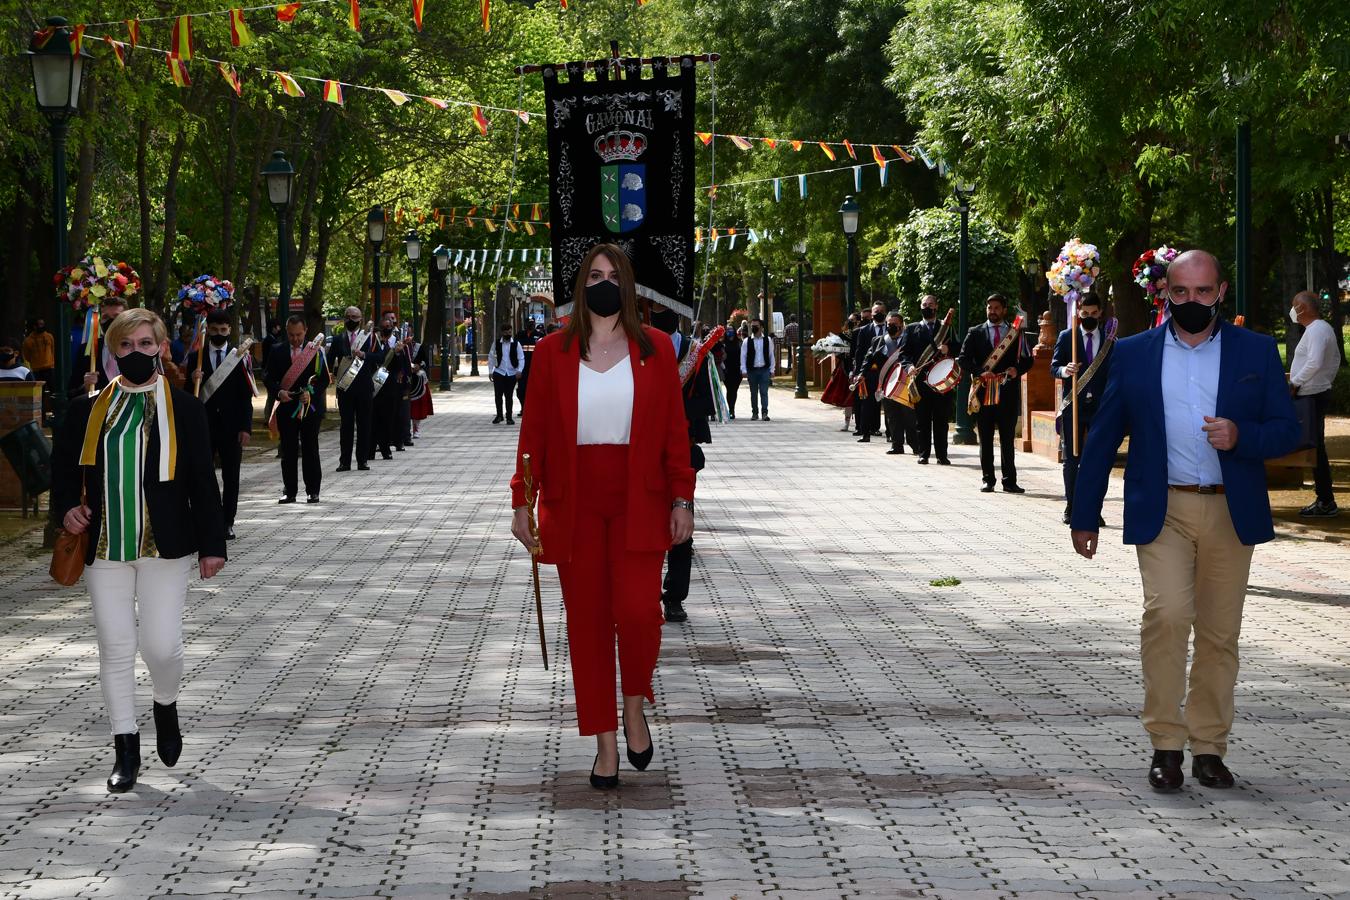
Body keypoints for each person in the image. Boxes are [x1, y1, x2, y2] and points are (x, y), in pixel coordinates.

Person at [1071, 250, 1300, 793]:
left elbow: (1289, 431)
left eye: (1203, 293)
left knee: (1220, 635)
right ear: (1165, 294)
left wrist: (1243, 437)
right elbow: (1101, 439)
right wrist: (1085, 515)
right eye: (1181, 293)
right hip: (1163, 507)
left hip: (1230, 508)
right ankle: (1166, 745)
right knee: (1168, 616)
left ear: (1220, 292)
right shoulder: (1132, 354)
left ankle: (1210, 748)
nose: (1192, 302)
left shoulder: (1257, 350)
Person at [510, 243, 694, 790]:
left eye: (614, 276)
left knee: (639, 615)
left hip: (641, 501)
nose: (604, 283)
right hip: (574, 503)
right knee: (589, 626)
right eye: (595, 275)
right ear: (580, 285)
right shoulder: (551, 353)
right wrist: (522, 498)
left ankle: (634, 706)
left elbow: (674, 436)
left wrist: (682, 499)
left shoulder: (656, 349)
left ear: (630, 286)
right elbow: (534, 436)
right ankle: (605, 743)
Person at [51, 307, 227, 792]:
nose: (136, 353)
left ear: (161, 348)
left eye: (146, 344)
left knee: (161, 647)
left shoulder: (184, 408)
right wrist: (67, 509)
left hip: (163, 548)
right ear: (112, 352)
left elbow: (201, 483)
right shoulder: (88, 410)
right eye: (126, 346)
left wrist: (213, 545)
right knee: (115, 646)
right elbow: (64, 473)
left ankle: (165, 704)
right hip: (105, 548)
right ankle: (125, 748)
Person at [651, 304, 714, 625]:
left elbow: (706, 401)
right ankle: (645, 593)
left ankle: (674, 596)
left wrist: (675, 407)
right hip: (643, 453)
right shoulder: (636, 347)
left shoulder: (693, 352)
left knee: (681, 525)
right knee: (645, 524)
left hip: (683, 452)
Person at [186, 310, 255, 540]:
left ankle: (228, 522)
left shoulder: (240, 358)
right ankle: (207, 520)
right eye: (214, 330)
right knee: (203, 476)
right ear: (208, 330)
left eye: (223, 330)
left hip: (232, 427)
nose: (219, 334)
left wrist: (246, 427)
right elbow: (188, 395)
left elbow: (246, 396)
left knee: (231, 476)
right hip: (203, 426)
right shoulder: (196, 357)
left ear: (229, 330)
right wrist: (193, 379)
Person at [1050, 292, 1113, 524]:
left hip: (1100, 407)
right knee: (1072, 459)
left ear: (1100, 314)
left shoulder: (1109, 339)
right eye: (1085, 314)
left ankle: (1094, 510)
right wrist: (1065, 370)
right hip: (1073, 405)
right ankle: (1072, 506)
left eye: (1093, 314)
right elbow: (1053, 367)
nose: (1089, 317)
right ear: (1078, 313)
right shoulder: (1068, 337)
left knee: (1099, 459)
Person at [959, 293, 1032, 493]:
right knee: (986, 438)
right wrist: (982, 372)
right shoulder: (975, 332)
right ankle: (987, 479)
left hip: (1007, 393)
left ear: (1004, 310)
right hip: (983, 393)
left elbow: (1028, 359)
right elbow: (963, 359)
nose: (992, 311)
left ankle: (1009, 481)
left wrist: (1017, 369)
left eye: (997, 308)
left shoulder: (1016, 332)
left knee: (1007, 440)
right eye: (989, 308)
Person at [1287, 290, 1341, 517]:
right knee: (1316, 447)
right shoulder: (1318, 330)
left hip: (1310, 395)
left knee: (1315, 448)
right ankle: (1325, 499)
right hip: (1313, 392)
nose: (1292, 310)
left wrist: (1295, 383)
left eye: (1294, 305)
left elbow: (1315, 362)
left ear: (1303, 309)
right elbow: (1334, 360)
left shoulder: (1318, 330)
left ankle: (1326, 500)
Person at [265, 315, 329, 503]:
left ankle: (313, 490)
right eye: (291, 335)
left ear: (306, 330)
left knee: (310, 448)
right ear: (286, 332)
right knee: (288, 450)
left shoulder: (315, 351)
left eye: (299, 335)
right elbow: (268, 377)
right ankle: (290, 491)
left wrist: (312, 393)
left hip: (310, 406)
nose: (295, 339)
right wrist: (279, 392)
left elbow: (324, 379)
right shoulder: (277, 350)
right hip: (286, 406)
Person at [901, 295, 959, 464]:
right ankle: (923, 454)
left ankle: (942, 456)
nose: (927, 307)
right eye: (924, 304)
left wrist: (949, 348)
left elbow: (959, 348)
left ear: (936, 307)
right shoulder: (911, 329)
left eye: (930, 304)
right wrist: (909, 367)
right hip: (920, 382)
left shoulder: (946, 328)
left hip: (941, 382)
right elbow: (904, 354)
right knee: (922, 420)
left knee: (941, 421)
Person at [327, 306, 377, 471]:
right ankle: (345, 462)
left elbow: (381, 357)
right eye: (348, 316)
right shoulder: (337, 339)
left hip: (364, 387)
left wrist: (364, 355)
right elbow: (329, 360)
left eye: (354, 316)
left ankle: (362, 460)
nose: (351, 320)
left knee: (364, 425)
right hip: (345, 388)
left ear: (361, 319)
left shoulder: (369, 338)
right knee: (346, 425)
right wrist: (330, 374)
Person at [860, 312, 905, 449]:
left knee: (905, 414)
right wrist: (862, 373)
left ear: (901, 325)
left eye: (894, 324)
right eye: (889, 324)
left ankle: (913, 442)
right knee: (890, 412)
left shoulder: (907, 339)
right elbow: (868, 358)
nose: (891, 327)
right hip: (885, 380)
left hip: (904, 379)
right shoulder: (878, 340)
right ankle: (895, 443)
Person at [69, 298, 127, 397]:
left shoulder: (138, 349)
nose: (111, 321)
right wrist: (86, 387)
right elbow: (71, 393)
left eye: (117, 317)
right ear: (99, 321)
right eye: (106, 317)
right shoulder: (87, 351)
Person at [850, 303, 887, 437]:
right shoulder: (864, 330)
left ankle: (888, 432)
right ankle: (863, 430)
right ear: (872, 313)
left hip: (887, 371)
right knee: (866, 401)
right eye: (876, 311)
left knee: (886, 403)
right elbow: (859, 353)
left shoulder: (892, 328)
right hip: (869, 372)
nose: (879, 313)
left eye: (882, 311)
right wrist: (858, 372)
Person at [740, 318, 776, 421]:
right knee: (753, 393)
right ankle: (754, 413)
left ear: (761, 327)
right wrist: (744, 370)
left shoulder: (767, 340)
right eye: (752, 326)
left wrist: (772, 369)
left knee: (764, 392)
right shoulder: (747, 341)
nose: (754, 327)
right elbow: (743, 356)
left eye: (756, 326)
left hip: (764, 370)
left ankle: (764, 412)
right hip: (752, 370)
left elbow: (771, 355)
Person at [489, 322, 524, 424]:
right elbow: (491, 357)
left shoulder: (516, 344)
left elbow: (521, 358)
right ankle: (499, 415)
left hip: (512, 373)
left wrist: (519, 370)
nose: (508, 334)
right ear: (502, 333)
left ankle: (509, 417)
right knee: (498, 395)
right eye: (506, 333)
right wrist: (490, 371)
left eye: (509, 332)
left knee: (509, 396)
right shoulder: (496, 343)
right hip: (499, 372)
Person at [23, 318, 55, 413]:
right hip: (37, 370)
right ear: (34, 326)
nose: (42, 326)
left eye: (43, 324)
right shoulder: (28, 341)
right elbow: (27, 356)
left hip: (49, 368)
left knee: (54, 392)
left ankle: (54, 413)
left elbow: (53, 350)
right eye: (40, 324)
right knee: (39, 395)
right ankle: (41, 416)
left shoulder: (49, 336)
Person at [409, 336, 434, 439]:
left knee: (416, 406)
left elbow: (425, 361)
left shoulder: (419, 347)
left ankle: (416, 428)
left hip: (418, 379)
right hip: (404, 377)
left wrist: (418, 366)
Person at [721, 326, 743, 420]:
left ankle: (732, 409)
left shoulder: (739, 343)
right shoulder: (723, 344)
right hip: (727, 370)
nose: (730, 332)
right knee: (729, 389)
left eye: (732, 330)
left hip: (737, 370)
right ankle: (731, 410)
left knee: (734, 390)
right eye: (728, 331)